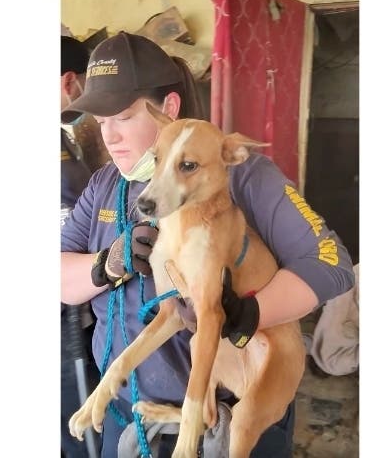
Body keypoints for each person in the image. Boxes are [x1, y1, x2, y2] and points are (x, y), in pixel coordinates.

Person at [60, 31, 355, 458]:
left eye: (122, 116)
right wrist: (104, 264)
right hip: (130, 417)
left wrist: (250, 312)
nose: (110, 136)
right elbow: (58, 275)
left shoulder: (241, 172)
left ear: (169, 111)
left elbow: (332, 263)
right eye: (100, 121)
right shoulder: (106, 185)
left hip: (227, 420)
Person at [60, 35, 102, 458]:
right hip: (63, 314)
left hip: (73, 302)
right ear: (71, 82)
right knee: (79, 431)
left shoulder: (68, 137)